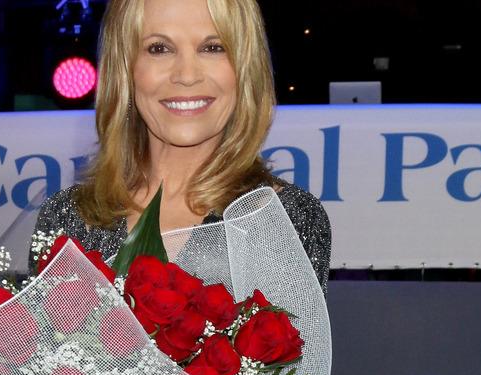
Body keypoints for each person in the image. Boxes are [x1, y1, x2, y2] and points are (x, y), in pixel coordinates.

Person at [35, 0, 331, 293]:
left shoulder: (287, 219)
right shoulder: (68, 217)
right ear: (125, 70)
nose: (187, 75)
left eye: (213, 47)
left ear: (245, 69)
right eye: (159, 48)